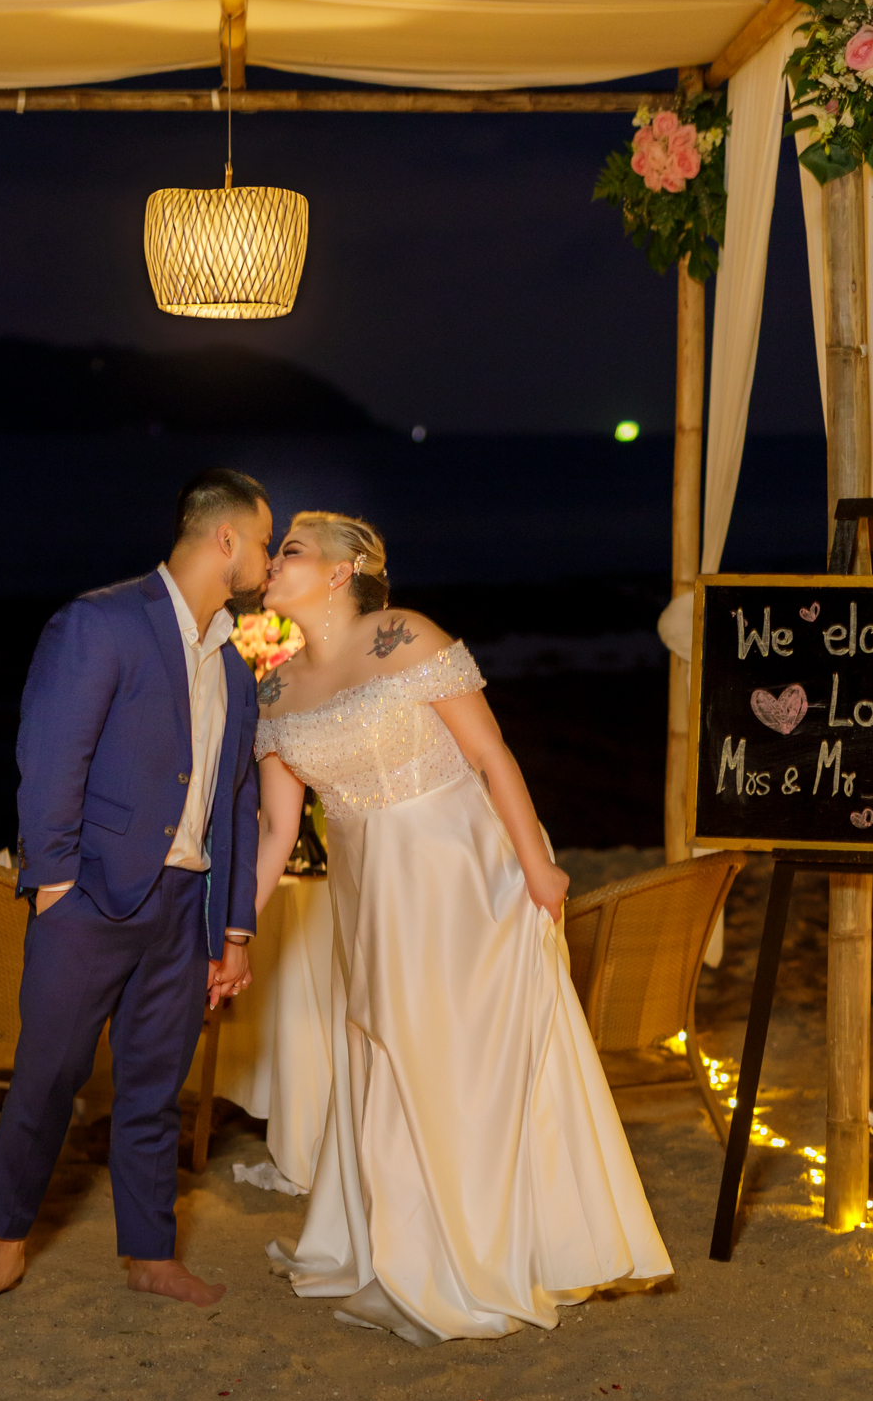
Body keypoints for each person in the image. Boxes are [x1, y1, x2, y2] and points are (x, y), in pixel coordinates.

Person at [252, 510, 671, 1345]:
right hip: (367, 889)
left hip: (463, 871)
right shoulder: (274, 685)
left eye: (290, 551)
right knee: (382, 1050)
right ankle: (397, 1251)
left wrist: (538, 865)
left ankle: (462, 1264)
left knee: (449, 1056)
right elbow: (274, 835)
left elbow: (491, 756)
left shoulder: (404, 635)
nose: (272, 562)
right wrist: (230, 933)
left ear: (341, 572)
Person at [0, 470, 270, 1308]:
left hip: (182, 911)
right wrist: (53, 886)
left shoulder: (232, 663)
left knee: (155, 1088)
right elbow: (50, 757)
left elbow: (237, 800)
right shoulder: (101, 623)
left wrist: (233, 931)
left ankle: (150, 1256)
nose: (267, 560)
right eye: (263, 543)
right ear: (223, 540)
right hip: (88, 900)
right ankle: (3, 1249)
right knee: (49, 1077)